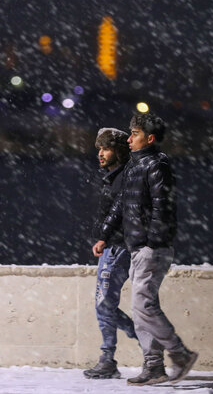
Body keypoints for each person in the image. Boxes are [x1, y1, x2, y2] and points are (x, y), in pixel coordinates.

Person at [92, 113, 198, 386]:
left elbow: (164, 208)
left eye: (135, 134)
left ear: (149, 138)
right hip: (137, 246)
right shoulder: (134, 166)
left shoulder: (156, 164)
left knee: (143, 305)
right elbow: (120, 205)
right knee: (140, 309)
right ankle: (153, 366)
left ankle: (180, 353)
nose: (129, 139)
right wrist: (104, 236)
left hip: (151, 247)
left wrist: (151, 241)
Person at [83, 128, 138, 380]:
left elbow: (123, 215)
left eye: (105, 149)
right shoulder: (114, 176)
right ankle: (141, 339)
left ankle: (111, 357)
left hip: (119, 248)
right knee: (103, 304)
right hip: (111, 248)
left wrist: (106, 237)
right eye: (99, 149)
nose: (100, 154)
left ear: (119, 150)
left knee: (105, 303)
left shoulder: (126, 177)